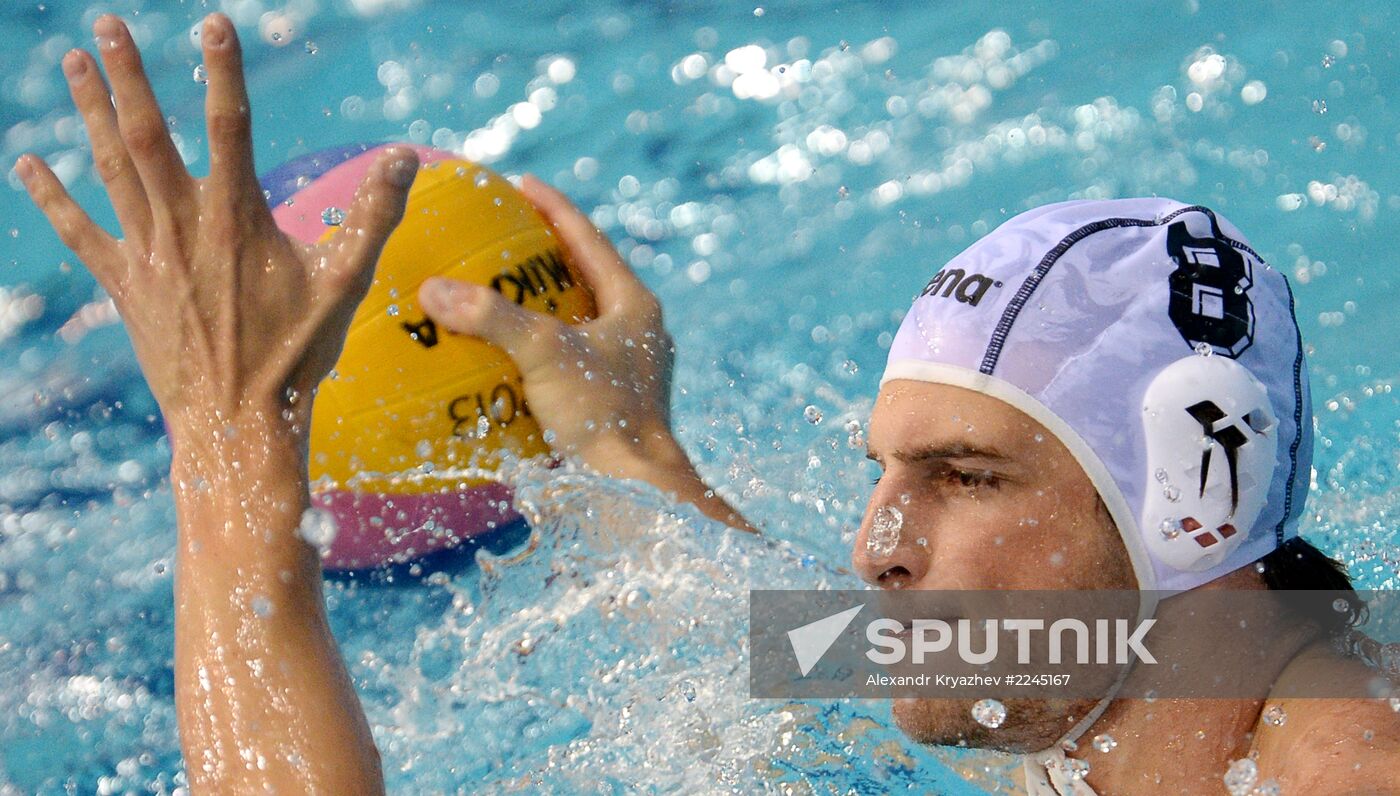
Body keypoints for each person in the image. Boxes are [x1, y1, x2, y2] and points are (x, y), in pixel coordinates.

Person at [16, 13, 1397, 795]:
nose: (877, 547)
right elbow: (735, 639)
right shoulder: (1150, 656)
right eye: (888, 471)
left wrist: (232, 447)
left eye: (969, 476)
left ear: (1191, 506)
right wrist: (625, 445)